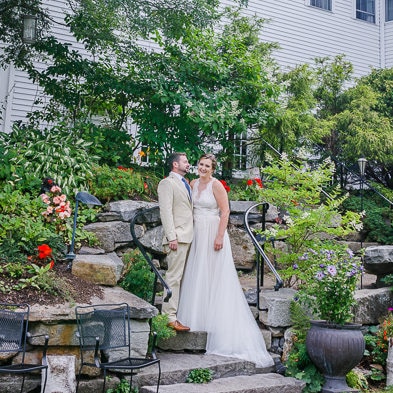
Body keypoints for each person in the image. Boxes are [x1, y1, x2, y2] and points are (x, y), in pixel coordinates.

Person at [177, 153, 274, 368]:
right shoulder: (192, 183)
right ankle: (196, 320)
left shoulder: (216, 185)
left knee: (215, 276)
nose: (202, 168)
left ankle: (217, 324)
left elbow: (225, 211)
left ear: (213, 169)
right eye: (201, 164)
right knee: (197, 274)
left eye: (207, 166)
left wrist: (220, 236)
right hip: (197, 233)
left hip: (212, 232)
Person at [158, 152, 194, 332]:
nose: (188, 164)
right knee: (173, 277)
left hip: (189, 236)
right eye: (185, 162)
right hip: (177, 238)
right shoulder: (167, 183)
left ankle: (178, 314)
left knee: (182, 278)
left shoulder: (186, 184)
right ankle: (169, 317)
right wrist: (171, 236)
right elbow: (165, 211)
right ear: (175, 164)